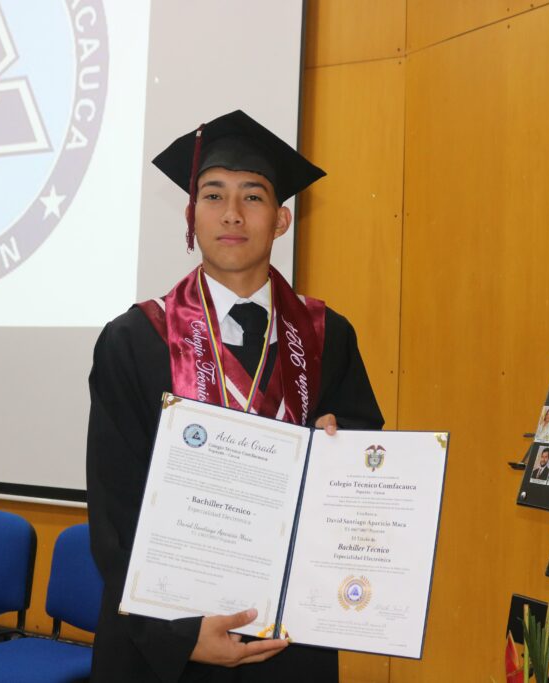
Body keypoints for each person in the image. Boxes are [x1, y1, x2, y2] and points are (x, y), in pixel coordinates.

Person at [86, 111, 384, 682]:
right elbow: (114, 508)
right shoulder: (136, 340)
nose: (231, 213)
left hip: (288, 640)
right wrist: (176, 635)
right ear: (190, 215)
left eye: (252, 196)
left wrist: (340, 456)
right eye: (213, 195)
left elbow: (360, 480)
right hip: (165, 643)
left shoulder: (328, 337)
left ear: (281, 220)